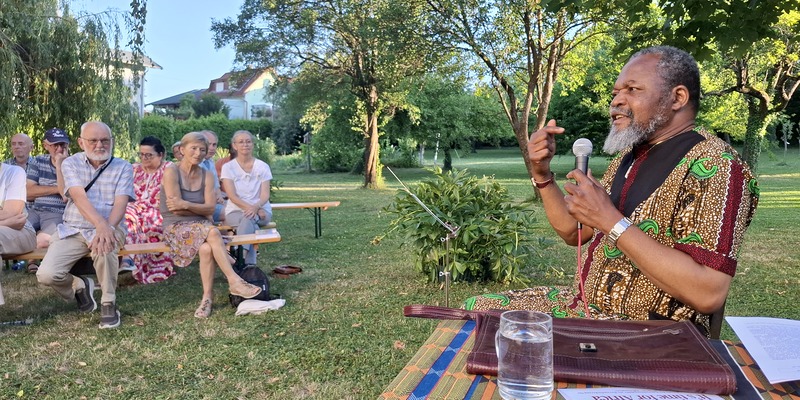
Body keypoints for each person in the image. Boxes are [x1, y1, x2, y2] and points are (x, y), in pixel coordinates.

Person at [464, 46, 759, 337]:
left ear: (677, 98)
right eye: (616, 92)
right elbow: (575, 233)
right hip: (584, 307)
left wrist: (610, 219)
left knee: (491, 330)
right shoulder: (629, 157)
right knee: (476, 308)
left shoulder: (715, 164)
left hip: (649, 334)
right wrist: (542, 174)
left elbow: (708, 293)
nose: (616, 101)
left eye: (632, 89)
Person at [36, 121, 134, 329]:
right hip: (74, 228)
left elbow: (121, 203)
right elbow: (79, 198)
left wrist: (107, 228)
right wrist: (100, 224)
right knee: (46, 274)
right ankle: (78, 285)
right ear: (81, 143)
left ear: (112, 141)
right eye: (93, 140)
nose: (99, 145)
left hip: (112, 224)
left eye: (105, 140)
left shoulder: (123, 167)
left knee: (105, 245)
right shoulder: (70, 164)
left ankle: (108, 303)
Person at [161, 131, 262, 318]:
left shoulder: (207, 175)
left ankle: (207, 299)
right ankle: (234, 280)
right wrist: (198, 209)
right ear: (182, 150)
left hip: (202, 226)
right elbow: (175, 211)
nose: (198, 153)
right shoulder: (171, 171)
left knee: (207, 248)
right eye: (193, 148)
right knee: (213, 232)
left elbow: (210, 209)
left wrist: (186, 204)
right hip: (175, 226)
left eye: (202, 149)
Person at [122, 136, 174, 283]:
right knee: (126, 215)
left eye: (149, 155)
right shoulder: (133, 169)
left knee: (129, 216)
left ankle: (128, 259)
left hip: (158, 211)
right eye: (142, 154)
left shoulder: (169, 169)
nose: (144, 158)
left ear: (160, 155)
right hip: (132, 209)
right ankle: (128, 260)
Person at [221, 130, 272, 266]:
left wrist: (257, 207)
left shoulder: (263, 166)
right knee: (249, 221)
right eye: (241, 142)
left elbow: (265, 195)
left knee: (248, 219)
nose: (245, 144)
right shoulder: (228, 167)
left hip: (262, 211)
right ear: (234, 146)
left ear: (253, 144)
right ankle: (248, 264)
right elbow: (232, 196)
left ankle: (239, 258)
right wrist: (254, 210)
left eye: (248, 141)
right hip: (235, 211)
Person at [24, 128, 71, 273]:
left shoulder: (73, 163)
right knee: (16, 232)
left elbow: (66, 196)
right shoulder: (38, 161)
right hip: (35, 209)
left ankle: (33, 261)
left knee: (42, 240)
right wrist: (57, 188)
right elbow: (28, 192)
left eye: (63, 145)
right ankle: (32, 259)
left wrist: (59, 166)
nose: (59, 149)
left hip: (57, 211)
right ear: (46, 145)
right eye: (55, 145)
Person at [199, 130, 225, 224]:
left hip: (214, 203)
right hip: (201, 207)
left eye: (214, 145)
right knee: (234, 213)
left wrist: (219, 196)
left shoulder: (210, 162)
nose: (211, 148)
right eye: (209, 144)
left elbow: (216, 185)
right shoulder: (195, 164)